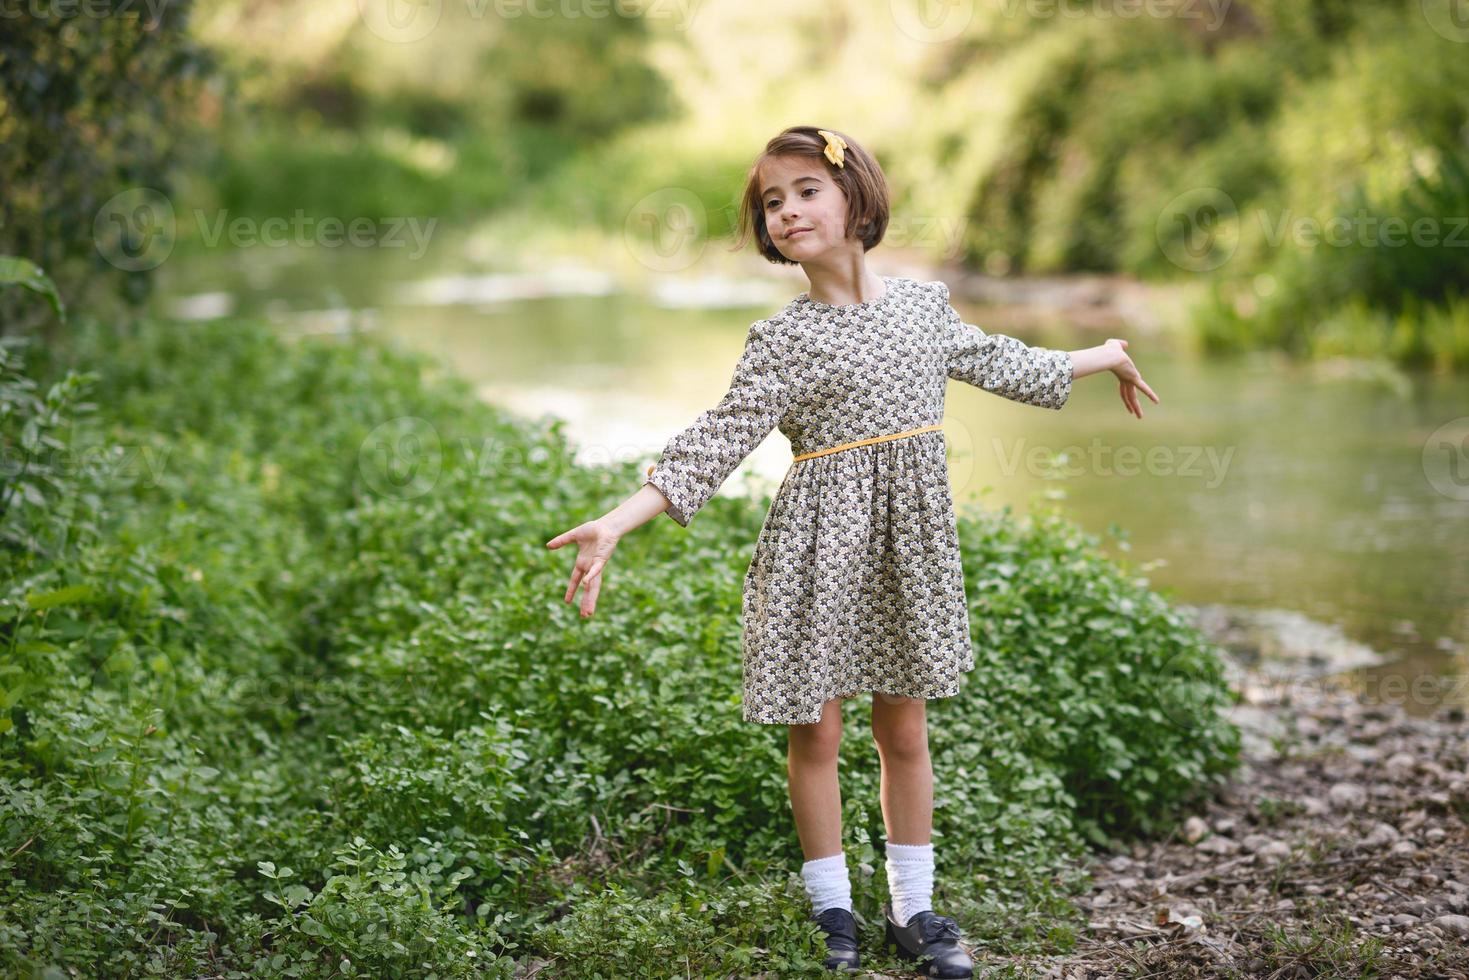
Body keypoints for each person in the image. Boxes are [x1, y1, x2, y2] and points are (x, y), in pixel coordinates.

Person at [546, 125, 1158, 976]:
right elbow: (713, 442)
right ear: (765, 230)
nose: (789, 210)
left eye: (805, 190)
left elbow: (1003, 362)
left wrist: (1104, 354)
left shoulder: (921, 306)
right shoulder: (783, 340)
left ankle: (915, 909)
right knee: (817, 729)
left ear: (853, 197)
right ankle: (832, 907)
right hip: (816, 549)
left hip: (908, 547)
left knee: (903, 727)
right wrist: (616, 519)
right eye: (772, 201)